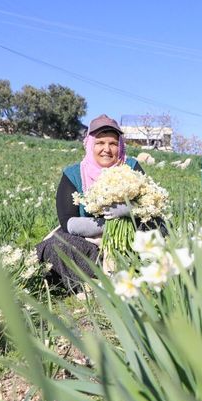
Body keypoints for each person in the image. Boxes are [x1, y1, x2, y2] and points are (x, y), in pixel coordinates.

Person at [36, 114, 148, 290]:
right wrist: (108, 225)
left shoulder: (131, 168)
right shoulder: (73, 174)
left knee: (158, 229)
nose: (107, 149)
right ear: (90, 144)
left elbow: (148, 203)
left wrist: (128, 208)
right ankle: (91, 285)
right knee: (57, 246)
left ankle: (131, 276)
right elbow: (68, 222)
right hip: (89, 245)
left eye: (112, 143)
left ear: (120, 146)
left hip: (129, 243)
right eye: (100, 143)